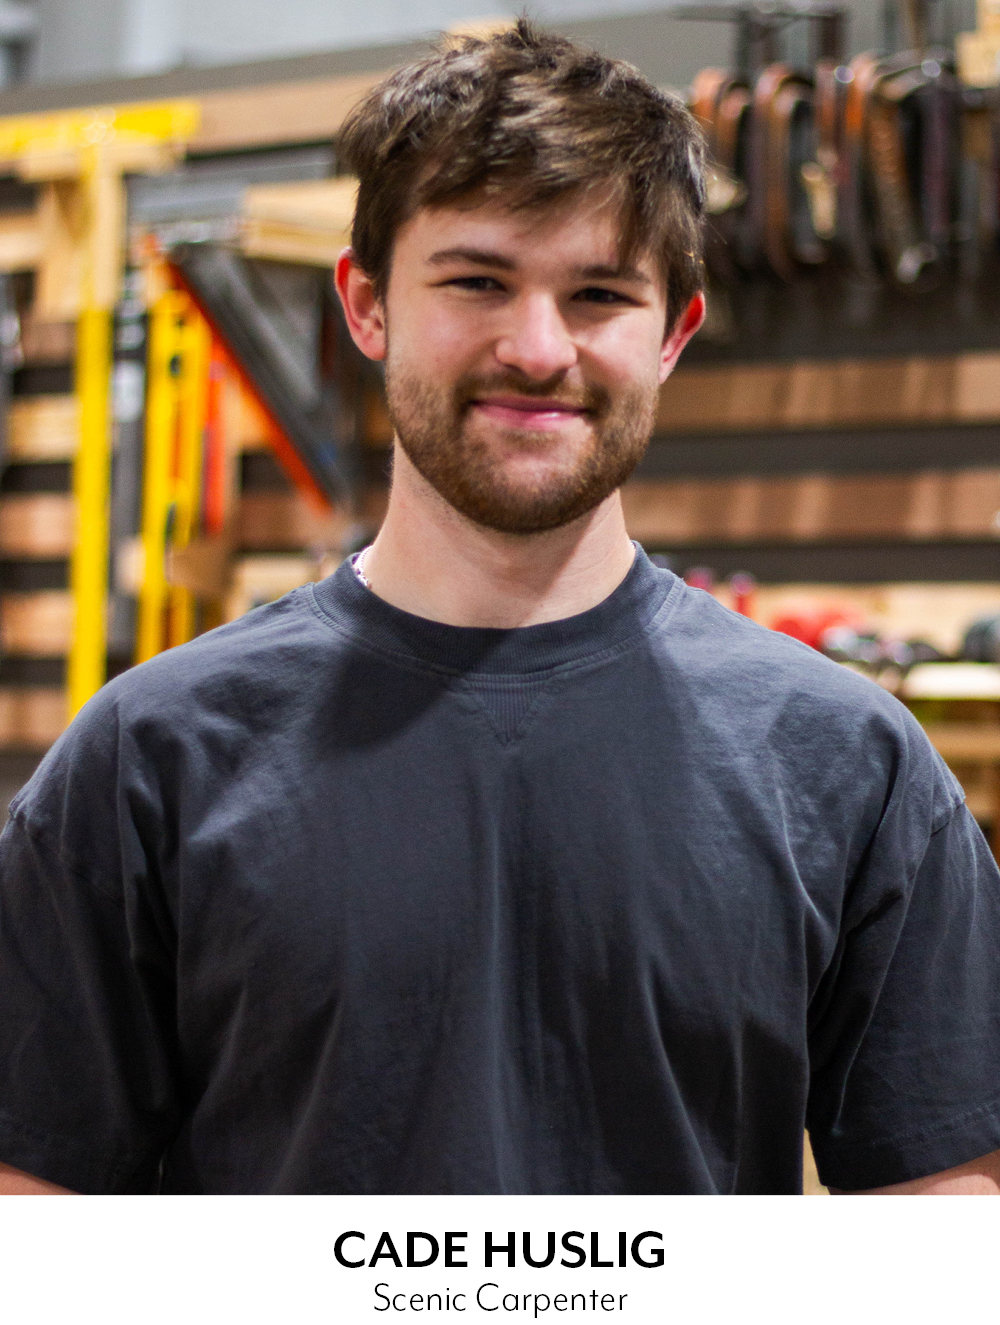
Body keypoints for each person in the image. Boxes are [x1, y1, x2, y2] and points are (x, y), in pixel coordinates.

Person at [1, 22, 999, 1197]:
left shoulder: (845, 761)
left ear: (672, 333)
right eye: (477, 281)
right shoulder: (150, 758)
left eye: (598, 294)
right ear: (367, 305)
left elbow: (946, 1220)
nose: (536, 348)